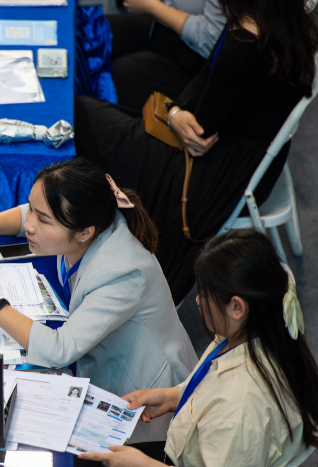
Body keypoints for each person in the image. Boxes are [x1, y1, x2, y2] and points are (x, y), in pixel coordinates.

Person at [75, 0, 318, 305]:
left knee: (81, 115)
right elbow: (205, 80)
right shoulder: (287, 28)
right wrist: (177, 111)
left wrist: (177, 113)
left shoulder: (242, 44)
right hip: (248, 164)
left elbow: (198, 130)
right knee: (109, 110)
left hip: (207, 181)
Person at [0, 158, 198, 441]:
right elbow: (33, 212)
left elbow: (58, 350)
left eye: (43, 220)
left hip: (143, 405)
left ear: (84, 232)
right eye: (33, 212)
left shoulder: (121, 272)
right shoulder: (91, 223)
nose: (31, 225)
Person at [77, 229, 318, 467]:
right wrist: (172, 395)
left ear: (237, 306)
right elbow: (213, 379)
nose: (197, 301)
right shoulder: (259, 327)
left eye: (205, 294)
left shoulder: (242, 401)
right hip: (197, 461)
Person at [107, 0, 226, 110]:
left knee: (117, 75)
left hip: (201, 61)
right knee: (99, 32)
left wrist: (151, 6)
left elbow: (211, 40)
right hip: (165, 27)